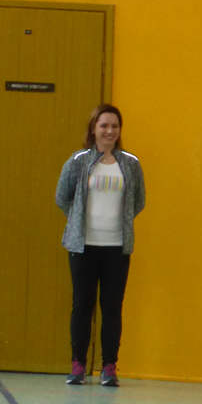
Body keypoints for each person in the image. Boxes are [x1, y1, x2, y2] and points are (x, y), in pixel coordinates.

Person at [55, 104, 145, 386]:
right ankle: (78, 365)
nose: (109, 131)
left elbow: (139, 201)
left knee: (112, 307)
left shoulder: (130, 164)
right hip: (83, 247)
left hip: (117, 248)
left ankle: (109, 367)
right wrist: (79, 221)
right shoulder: (78, 161)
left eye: (114, 126)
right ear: (93, 128)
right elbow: (62, 197)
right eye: (104, 125)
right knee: (82, 305)